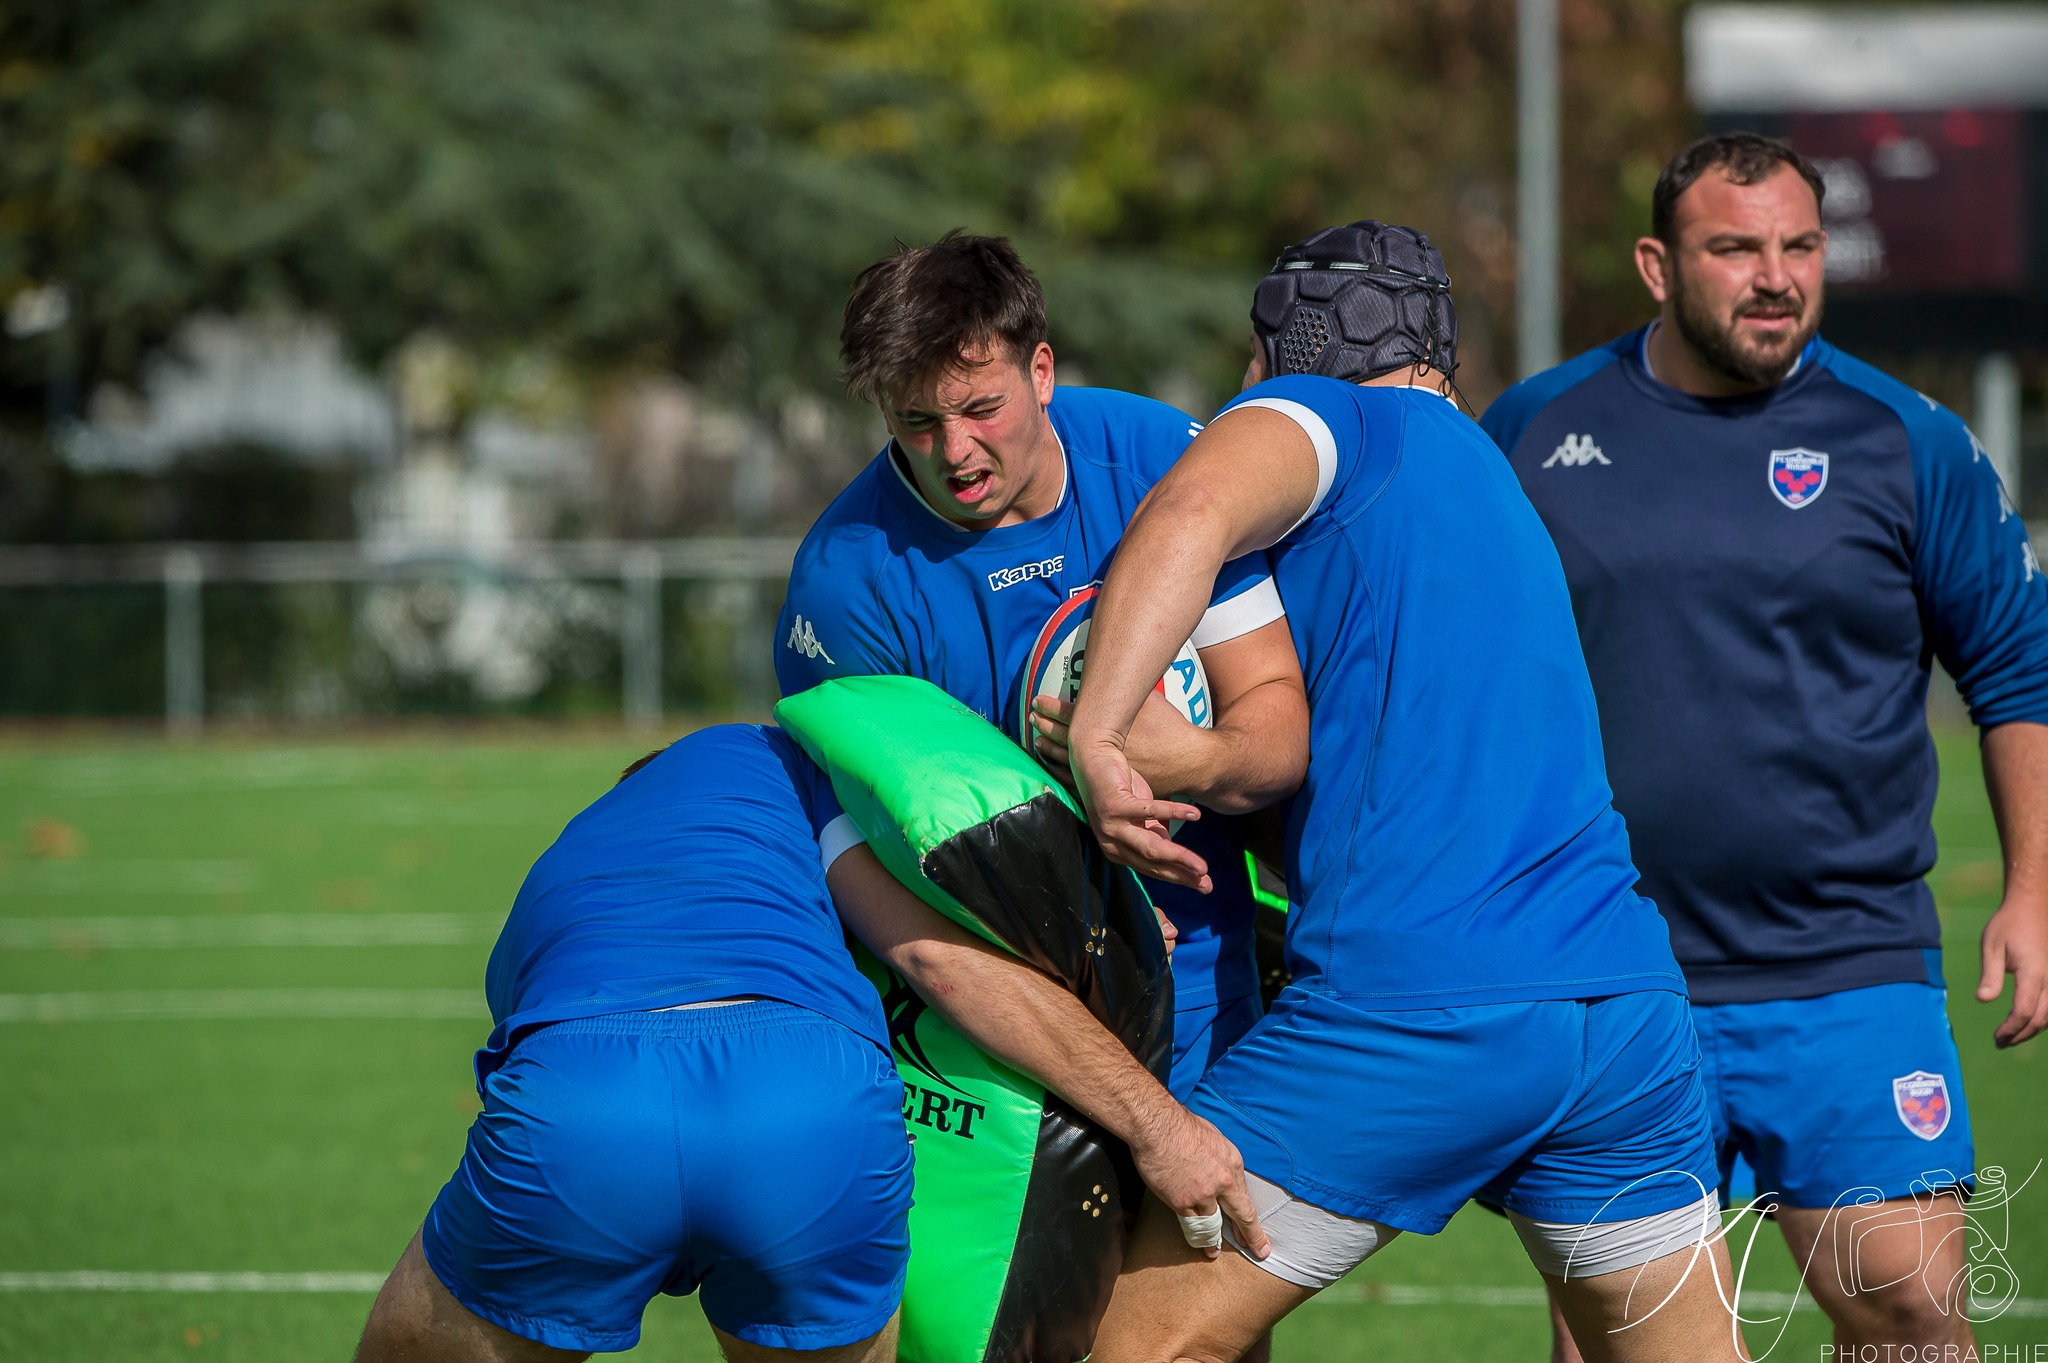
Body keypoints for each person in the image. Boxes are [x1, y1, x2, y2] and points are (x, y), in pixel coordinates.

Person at [1064, 220, 1746, 1363]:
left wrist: (1099, 733)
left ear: (1304, 336)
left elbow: (1185, 513)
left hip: (1420, 1011)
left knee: (1134, 1349)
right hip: (1620, 1012)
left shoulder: (1326, 419)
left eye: (1252, 348)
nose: (1238, 381)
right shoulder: (1488, 472)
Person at [1482, 132, 2048, 1359]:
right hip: (1610, 968)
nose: (1774, 274)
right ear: (1656, 263)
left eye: (1798, 245)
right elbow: (1455, 673)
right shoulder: (1532, 431)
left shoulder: (1906, 440)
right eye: (1733, 248)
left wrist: (2032, 891)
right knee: (1621, 1339)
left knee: (1906, 1309)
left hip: (1842, 961)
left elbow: (2015, 667)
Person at [351, 724, 1254, 1363]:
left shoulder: (572, 852)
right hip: (806, 1103)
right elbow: (940, 961)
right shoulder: (780, 766)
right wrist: (1157, 1123)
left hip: (585, 1102)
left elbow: (525, 1052)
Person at [776, 231, 1310, 1103]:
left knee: (1214, 1238)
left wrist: (1197, 761)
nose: (954, 451)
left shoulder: (1164, 461)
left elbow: (1276, 715)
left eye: (981, 408)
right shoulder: (846, 582)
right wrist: (1071, 922)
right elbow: (873, 869)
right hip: (1002, 1035)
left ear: (1043, 373)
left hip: (1212, 992)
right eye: (917, 421)